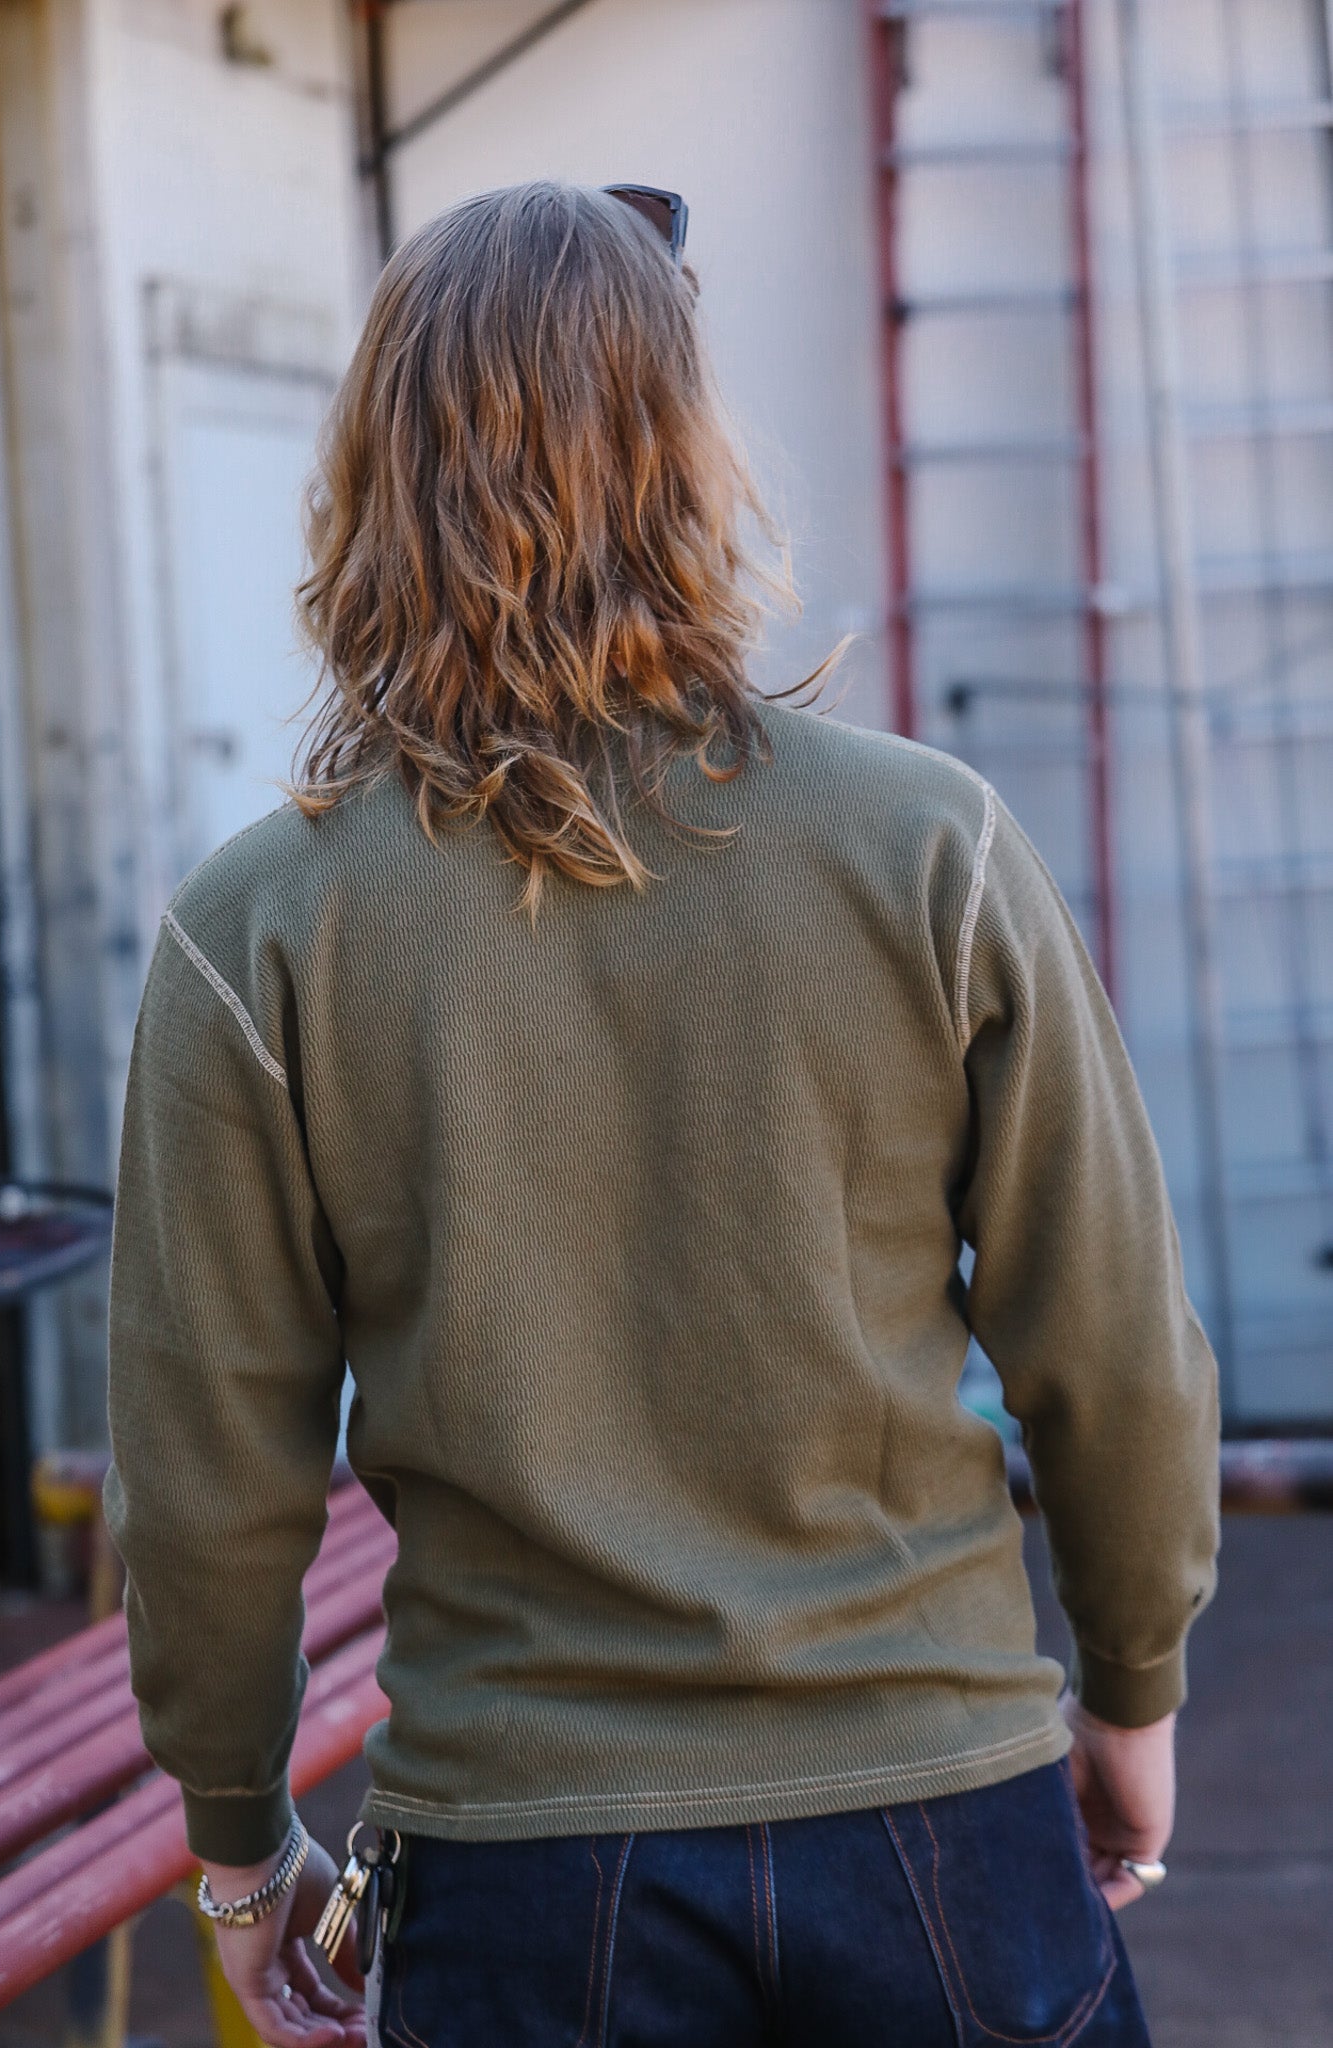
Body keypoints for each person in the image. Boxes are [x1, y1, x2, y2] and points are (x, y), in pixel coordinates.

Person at [102, 180, 1220, 2048]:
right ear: (686, 456)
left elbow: (207, 1470)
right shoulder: (926, 846)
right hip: (943, 1814)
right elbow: (1108, 1340)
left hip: (525, 1872)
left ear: (378, 472)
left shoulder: (258, 930)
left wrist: (239, 1844)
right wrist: (1131, 1686)